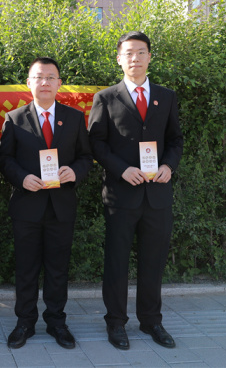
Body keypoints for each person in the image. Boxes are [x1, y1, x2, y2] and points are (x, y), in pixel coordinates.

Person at [88, 31, 184, 350]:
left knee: (153, 261)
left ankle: (151, 320)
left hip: (157, 194)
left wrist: (169, 165)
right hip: (121, 194)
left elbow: (175, 140)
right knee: (117, 262)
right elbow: (96, 143)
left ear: (149, 57)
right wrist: (121, 169)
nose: (135, 58)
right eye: (128, 53)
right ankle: (116, 322)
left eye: (141, 52)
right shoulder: (106, 98)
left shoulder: (166, 96)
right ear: (119, 59)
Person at [0, 57, 93, 350]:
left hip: (61, 205)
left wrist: (74, 172)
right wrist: (21, 177)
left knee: (57, 269)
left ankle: (56, 322)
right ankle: (24, 322)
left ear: (59, 83)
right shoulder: (15, 118)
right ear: (29, 83)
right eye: (39, 77)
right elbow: (4, 159)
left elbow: (86, 157)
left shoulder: (74, 117)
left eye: (51, 77)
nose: (45, 83)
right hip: (27, 205)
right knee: (26, 269)